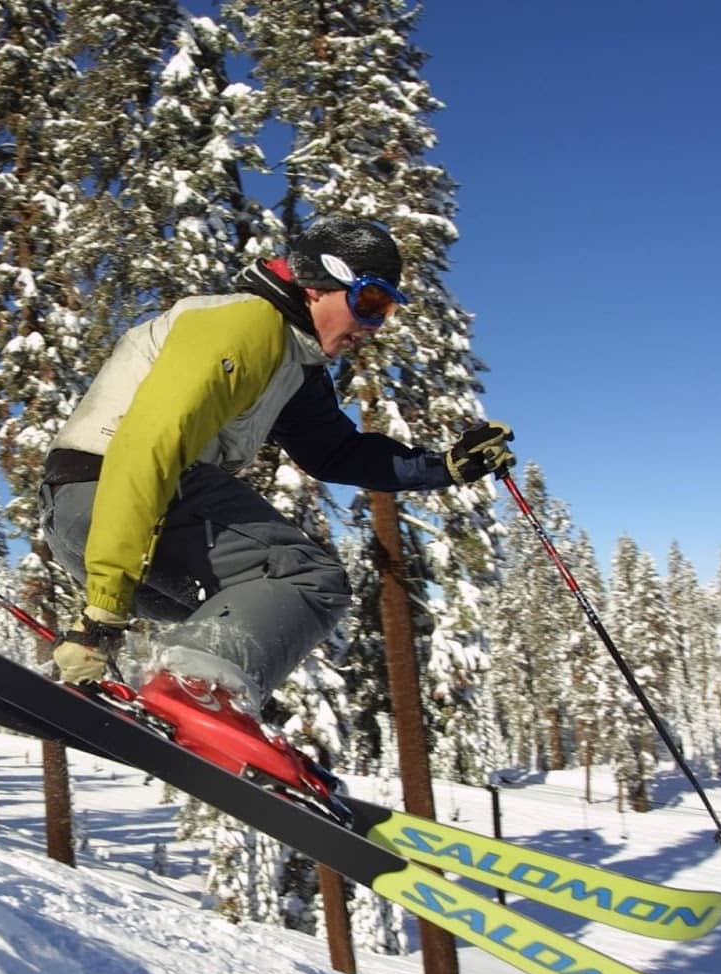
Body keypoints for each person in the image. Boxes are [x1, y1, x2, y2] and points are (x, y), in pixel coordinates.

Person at [39, 216, 514, 798]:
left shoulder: (293, 363)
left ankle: (185, 701)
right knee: (307, 576)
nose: (374, 324)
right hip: (118, 489)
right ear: (316, 282)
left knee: (237, 609)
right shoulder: (246, 324)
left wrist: (443, 467)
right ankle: (192, 693)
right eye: (369, 300)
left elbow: (335, 450)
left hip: (93, 515)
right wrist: (103, 611)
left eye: (387, 311)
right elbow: (149, 445)